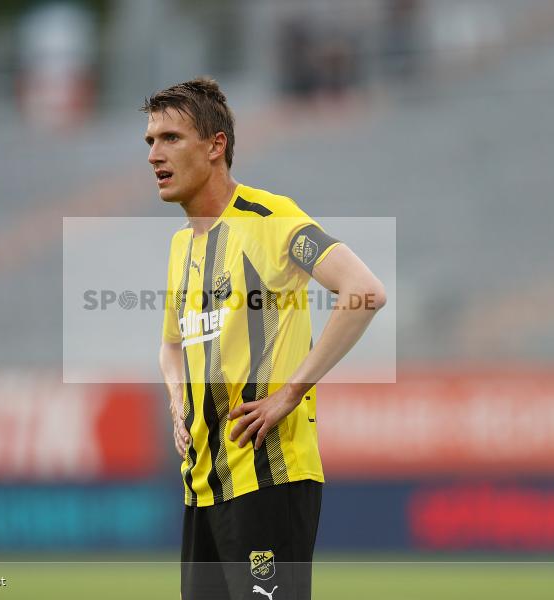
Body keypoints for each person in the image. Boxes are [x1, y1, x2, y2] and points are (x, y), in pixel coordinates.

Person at [145, 77, 386, 600]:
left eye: (170, 138)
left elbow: (363, 291)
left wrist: (290, 391)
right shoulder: (180, 246)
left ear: (216, 146)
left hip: (268, 480)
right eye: (150, 142)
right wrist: (176, 395)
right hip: (202, 487)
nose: (154, 155)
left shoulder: (271, 219)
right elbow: (171, 344)